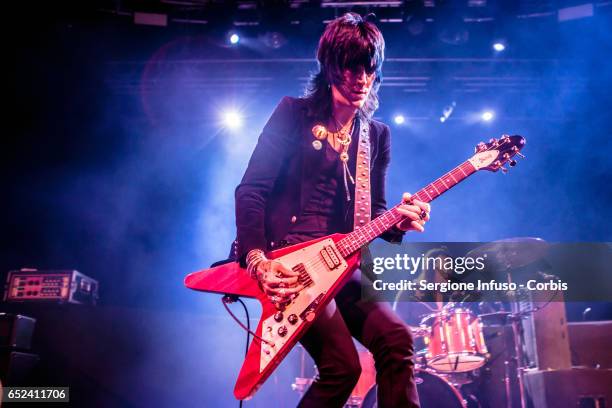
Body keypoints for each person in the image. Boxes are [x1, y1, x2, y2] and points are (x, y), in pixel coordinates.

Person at [233, 12, 430, 408]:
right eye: (351, 67)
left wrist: (402, 222)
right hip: (290, 265)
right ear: (330, 67)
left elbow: (375, 217)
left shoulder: (376, 136)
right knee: (343, 368)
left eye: (369, 69)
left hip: (341, 264)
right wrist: (259, 261)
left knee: (397, 340)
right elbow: (251, 191)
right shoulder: (292, 114)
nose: (360, 78)